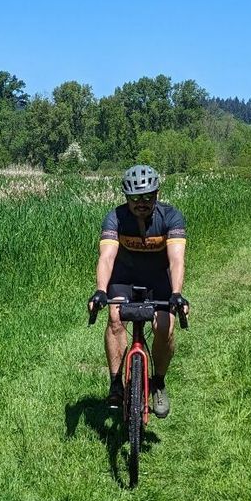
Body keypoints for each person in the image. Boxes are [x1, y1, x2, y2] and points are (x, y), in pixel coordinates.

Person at [87, 165, 190, 417]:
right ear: (126, 197)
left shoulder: (171, 217)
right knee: (114, 319)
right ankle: (116, 383)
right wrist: (100, 290)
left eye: (147, 196)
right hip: (124, 280)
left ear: (157, 194)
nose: (141, 203)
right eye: (135, 198)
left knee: (164, 327)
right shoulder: (115, 218)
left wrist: (177, 293)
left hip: (158, 282)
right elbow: (107, 257)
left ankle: (158, 383)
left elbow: (177, 259)